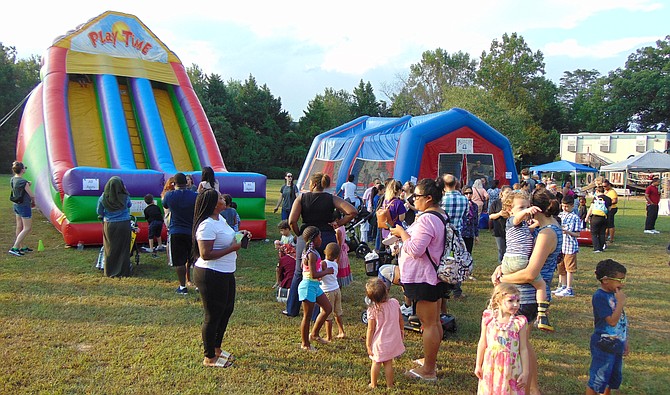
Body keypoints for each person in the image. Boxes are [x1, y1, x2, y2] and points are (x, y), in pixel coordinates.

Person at [490, 189, 562, 394]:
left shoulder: (547, 232)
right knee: (522, 346)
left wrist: (503, 279)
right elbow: (518, 252)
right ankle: (529, 389)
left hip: (526, 295)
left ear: (536, 208)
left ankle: (525, 389)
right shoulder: (543, 228)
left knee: (516, 348)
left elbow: (530, 273)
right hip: (524, 292)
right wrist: (502, 266)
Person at [389, 178, 447, 381]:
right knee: (434, 321)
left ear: (429, 198)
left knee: (429, 323)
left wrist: (401, 232)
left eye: (417, 196)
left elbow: (415, 249)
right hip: (431, 276)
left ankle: (428, 370)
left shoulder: (427, 219)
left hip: (424, 277)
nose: (413, 199)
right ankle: (429, 359)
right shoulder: (438, 215)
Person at [192, 189, 251, 368]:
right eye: (219, 198)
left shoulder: (221, 219)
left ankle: (217, 348)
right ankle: (209, 357)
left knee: (226, 310)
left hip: (226, 272)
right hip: (211, 274)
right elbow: (206, 254)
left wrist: (240, 234)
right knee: (213, 315)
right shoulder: (206, 225)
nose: (223, 199)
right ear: (212, 203)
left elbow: (228, 239)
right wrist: (234, 247)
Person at [284, 172, 356, 317]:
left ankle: (292, 309)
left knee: (300, 272)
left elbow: (292, 220)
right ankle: (318, 312)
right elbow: (352, 211)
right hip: (326, 236)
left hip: (307, 236)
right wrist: (338, 223)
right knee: (323, 273)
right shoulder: (331, 198)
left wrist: (299, 233)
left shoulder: (302, 198)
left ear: (314, 184)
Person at [499, 190, 554, 332]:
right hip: (518, 260)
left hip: (508, 261)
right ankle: (542, 315)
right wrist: (526, 211)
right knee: (540, 285)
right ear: (509, 210)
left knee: (510, 288)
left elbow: (526, 229)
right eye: (521, 207)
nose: (526, 210)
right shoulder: (512, 221)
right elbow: (517, 218)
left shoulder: (522, 226)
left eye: (527, 206)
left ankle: (501, 297)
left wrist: (535, 224)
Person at [475, 283, 529, 395]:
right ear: (498, 301)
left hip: (511, 368)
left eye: (518, 301)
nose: (515, 304)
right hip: (491, 366)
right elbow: (482, 343)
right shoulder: (488, 319)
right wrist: (478, 365)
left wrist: (526, 372)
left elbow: (523, 348)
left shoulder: (519, 323)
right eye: (510, 301)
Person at [586, 259, 628, 395]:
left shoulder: (614, 295)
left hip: (617, 343)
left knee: (611, 378)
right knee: (598, 379)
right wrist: (620, 303)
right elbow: (611, 321)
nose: (622, 283)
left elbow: (621, 321)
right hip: (603, 345)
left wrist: (625, 340)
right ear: (605, 280)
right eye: (619, 280)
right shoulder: (600, 297)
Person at [297, 226, 334, 351]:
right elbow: (313, 274)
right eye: (320, 237)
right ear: (314, 238)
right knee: (307, 316)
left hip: (314, 286)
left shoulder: (313, 252)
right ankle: (305, 344)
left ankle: (314, 334)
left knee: (328, 308)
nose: (321, 239)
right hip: (308, 286)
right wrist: (327, 271)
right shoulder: (311, 254)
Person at [365, 278, 405, 389]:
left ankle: (373, 384)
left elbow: (370, 329)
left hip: (379, 343)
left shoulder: (373, 310)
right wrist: (401, 331)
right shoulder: (395, 303)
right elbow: (400, 320)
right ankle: (390, 385)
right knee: (388, 363)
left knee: (376, 362)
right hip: (392, 340)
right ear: (386, 291)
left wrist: (368, 344)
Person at [162, 173, 198, 294]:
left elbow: (165, 205)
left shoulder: (169, 196)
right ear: (187, 183)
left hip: (176, 230)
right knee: (195, 259)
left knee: (179, 261)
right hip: (192, 231)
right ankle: (198, 284)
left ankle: (182, 286)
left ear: (174, 183)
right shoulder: (194, 196)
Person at [96, 177, 132, 277]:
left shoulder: (103, 197)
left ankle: (110, 271)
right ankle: (124, 271)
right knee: (124, 248)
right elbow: (129, 205)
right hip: (124, 223)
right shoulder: (125, 197)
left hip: (110, 225)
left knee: (110, 248)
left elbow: (99, 211)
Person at [440, 173, 468, 299]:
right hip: (457, 234)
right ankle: (457, 290)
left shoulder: (442, 200)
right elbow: (466, 215)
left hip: (444, 234)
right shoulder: (464, 199)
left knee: (443, 260)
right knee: (456, 261)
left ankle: (444, 288)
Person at [554, 195, 581, 298]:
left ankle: (569, 288)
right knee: (561, 267)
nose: (564, 208)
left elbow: (577, 234)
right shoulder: (561, 215)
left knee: (569, 268)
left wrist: (567, 232)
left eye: (567, 206)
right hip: (561, 246)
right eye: (563, 206)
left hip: (570, 246)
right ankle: (563, 285)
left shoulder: (575, 217)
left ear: (572, 206)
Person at [320, 242, 346, 341]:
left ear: (324, 252)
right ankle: (341, 331)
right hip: (336, 289)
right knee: (338, 312)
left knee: (328, 315)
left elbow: (320, 275)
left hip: (327, 291)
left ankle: (329, 337)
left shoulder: (323, 263)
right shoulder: (335, 263)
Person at [9, 161, 34, 256]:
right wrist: (34, 201)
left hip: (16, 205)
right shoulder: (23, 182)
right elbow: (31, 195)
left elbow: (20, 186)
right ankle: (15, 247)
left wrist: (27, 184)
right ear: (23, 170)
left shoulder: (13, 179)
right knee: (27, 228)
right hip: (24, 206)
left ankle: (20, 246)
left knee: (19, 226)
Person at [489, 185, 512, 263]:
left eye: (510, 192)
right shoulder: (496, 203)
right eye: (507, 192)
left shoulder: (513, 203)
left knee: (510, 249)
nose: (509, 194)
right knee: (501, 249)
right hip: (499, 229)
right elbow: (491, 216)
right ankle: (501, 265)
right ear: (502, 193)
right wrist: (499, 214)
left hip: (510, 229)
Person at [586, 187, 612, 253]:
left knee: (594, 233)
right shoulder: (608, 199)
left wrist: (587, 217)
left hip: (595, 217)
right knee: (602, 233)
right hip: (604, 218)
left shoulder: (595, 198)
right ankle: (601, 247)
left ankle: (596, 248)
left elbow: (591, 209)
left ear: (597, 191)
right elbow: (609, 209)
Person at [334, 214, 353, 287]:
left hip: (340, 253)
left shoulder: (337, 231)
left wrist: (337, 257)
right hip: (343, 252)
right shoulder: (342, 227)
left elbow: (338, 244)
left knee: (338, 272)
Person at [461, 186, 480, 255]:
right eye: (466, 193)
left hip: (470, 233)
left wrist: (476, 235)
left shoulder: (474, 206)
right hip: (461, 232)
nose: (468, 195)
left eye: (470, 193)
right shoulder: (460, 205)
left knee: (468, 253)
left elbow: (475, 221)